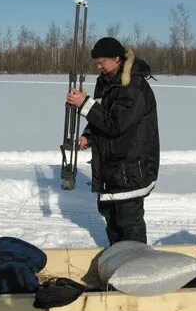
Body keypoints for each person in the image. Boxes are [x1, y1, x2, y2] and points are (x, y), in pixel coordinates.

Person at [66, 37, 160, 245]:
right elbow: (101, 114)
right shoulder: (106, 81)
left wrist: (84, 105)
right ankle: (117, 261)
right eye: (96, 63)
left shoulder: (133, 86)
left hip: (131, 168)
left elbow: (116, 124)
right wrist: (88, 135)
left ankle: (136, 267)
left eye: (102, 62)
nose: (98, 67)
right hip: (110, 166)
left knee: (129, 222)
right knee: (111, 219)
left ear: (117, 59)